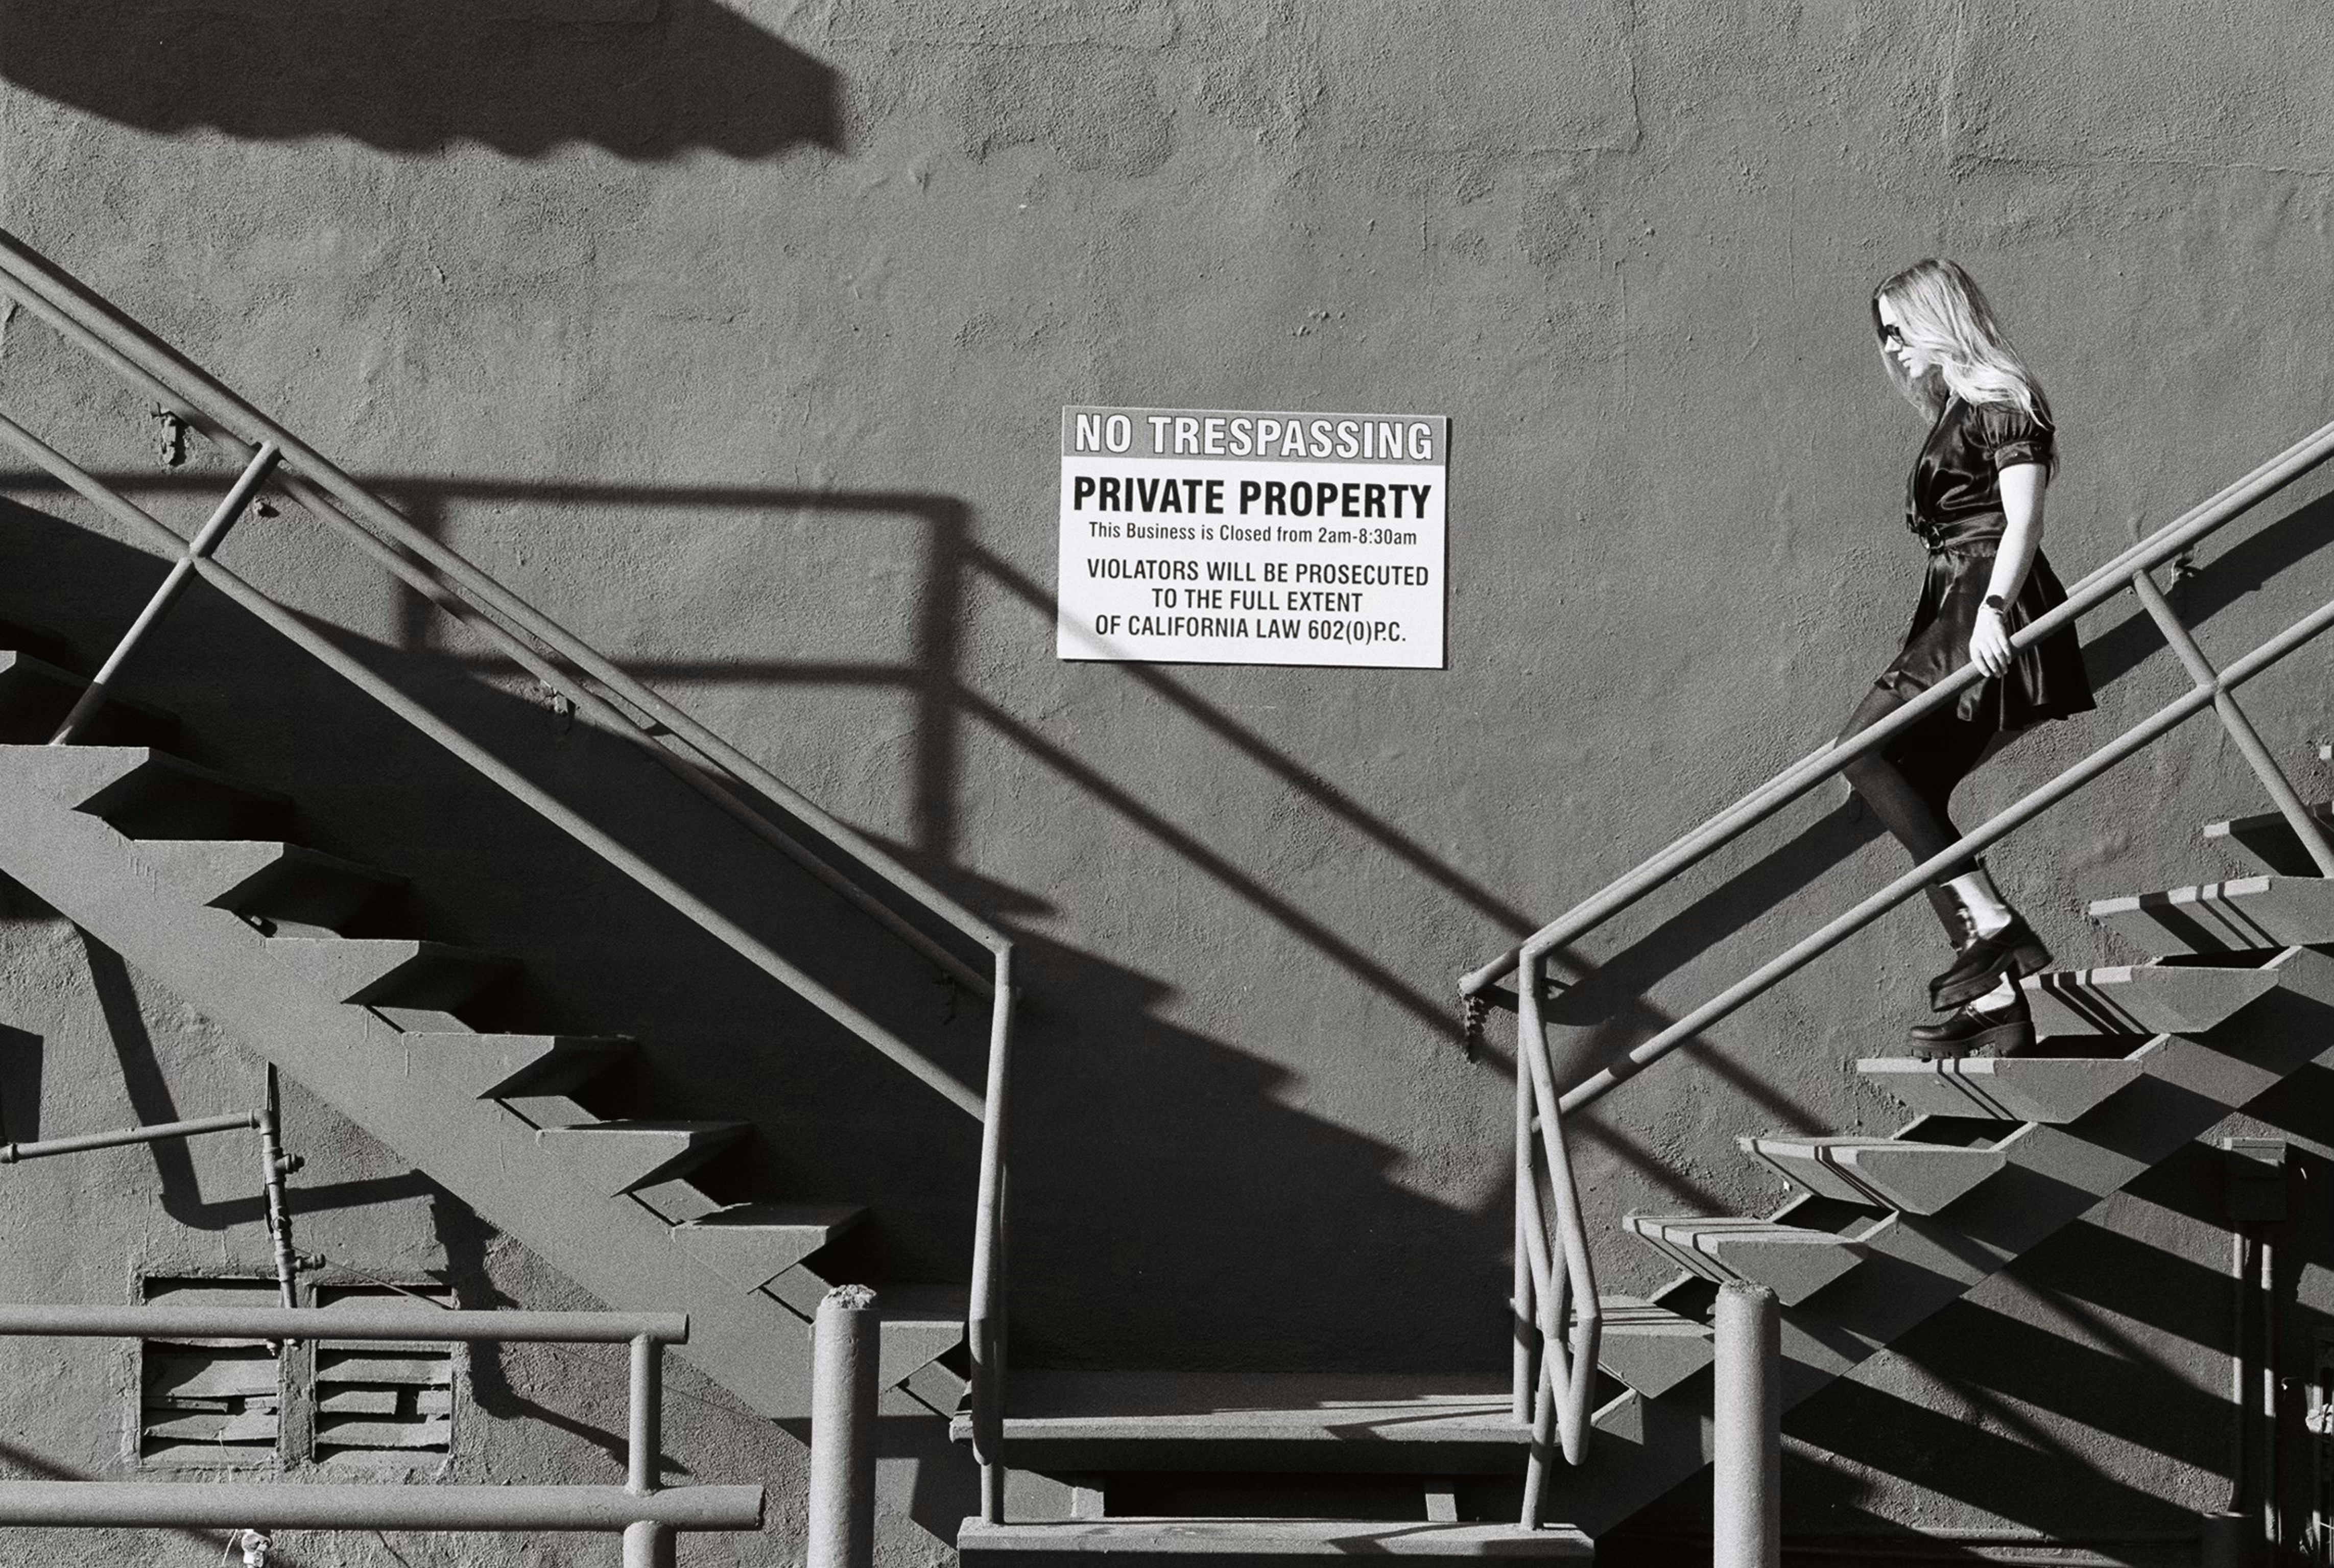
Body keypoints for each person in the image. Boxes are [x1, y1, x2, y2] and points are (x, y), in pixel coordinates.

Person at [1841, 259, 2094, 1059]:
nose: (1888, 344)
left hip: (1988, 599)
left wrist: (1989, 611)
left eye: (1896, 325)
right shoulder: (1956, 406)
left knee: (1864, 751)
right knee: (1902, 778)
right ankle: (1994, 993)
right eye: (1880, 331)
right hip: (1953, 603)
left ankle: (1988, 930)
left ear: (1935, 316)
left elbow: (2023, 521)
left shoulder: (1998, 398)